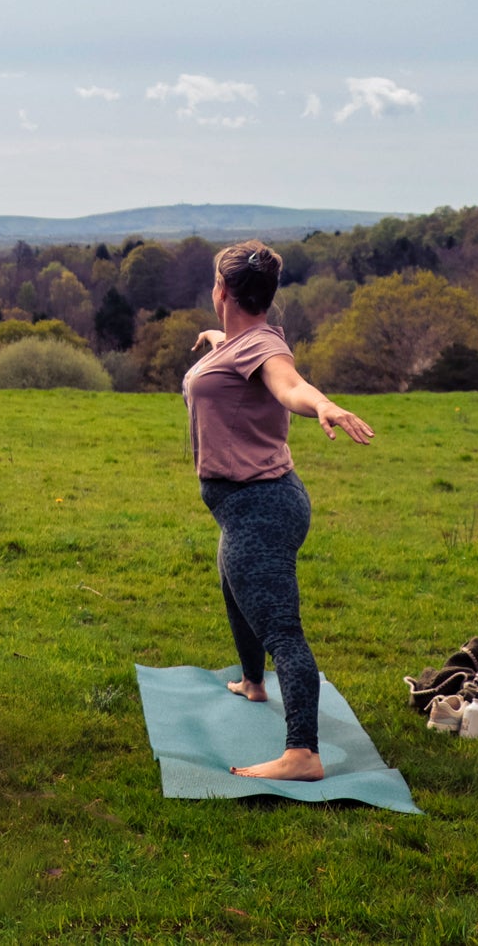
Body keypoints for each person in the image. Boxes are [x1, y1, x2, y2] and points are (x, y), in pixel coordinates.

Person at [184, 240, 374, 781]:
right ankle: (252, 681)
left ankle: (303, 754)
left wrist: (323, 405)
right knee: (234, 588)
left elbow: (289, 384)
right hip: (248, 505)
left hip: (260, 507)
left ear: (221, 289)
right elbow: (242, 350)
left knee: (282, 631)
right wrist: (215, 338)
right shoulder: (243, 341)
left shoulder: (264, 348)